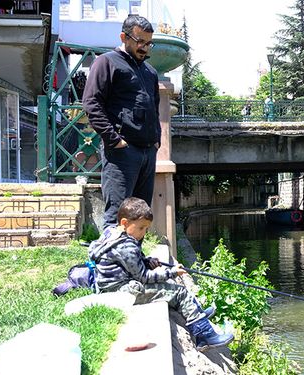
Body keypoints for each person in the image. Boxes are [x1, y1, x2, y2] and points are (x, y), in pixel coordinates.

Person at [89, 197, 234, 351]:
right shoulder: (126, 246)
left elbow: (128, 262)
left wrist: (146, 261)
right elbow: (143, 277)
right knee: (179, 292)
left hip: (110, 288)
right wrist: (171, 273)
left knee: (175, 290)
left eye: (146, 229)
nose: (143, 233)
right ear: (125, 223)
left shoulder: (112, 233)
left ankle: (196, 313)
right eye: (141, 228)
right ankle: (205, 336)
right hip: (122, 292)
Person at [83, 14, 161, 229]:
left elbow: (154, 108)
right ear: (124, 37)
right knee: (117, 215)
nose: (144, 48)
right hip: (122, 151)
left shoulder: (150, 72)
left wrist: (156, 142)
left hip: (147, 151)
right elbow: (91, 103)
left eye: (148, 43)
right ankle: (109, 262)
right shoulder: (106, 62)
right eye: (140, 42)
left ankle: (135, 260)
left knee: (141, 218)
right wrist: (114, 140)